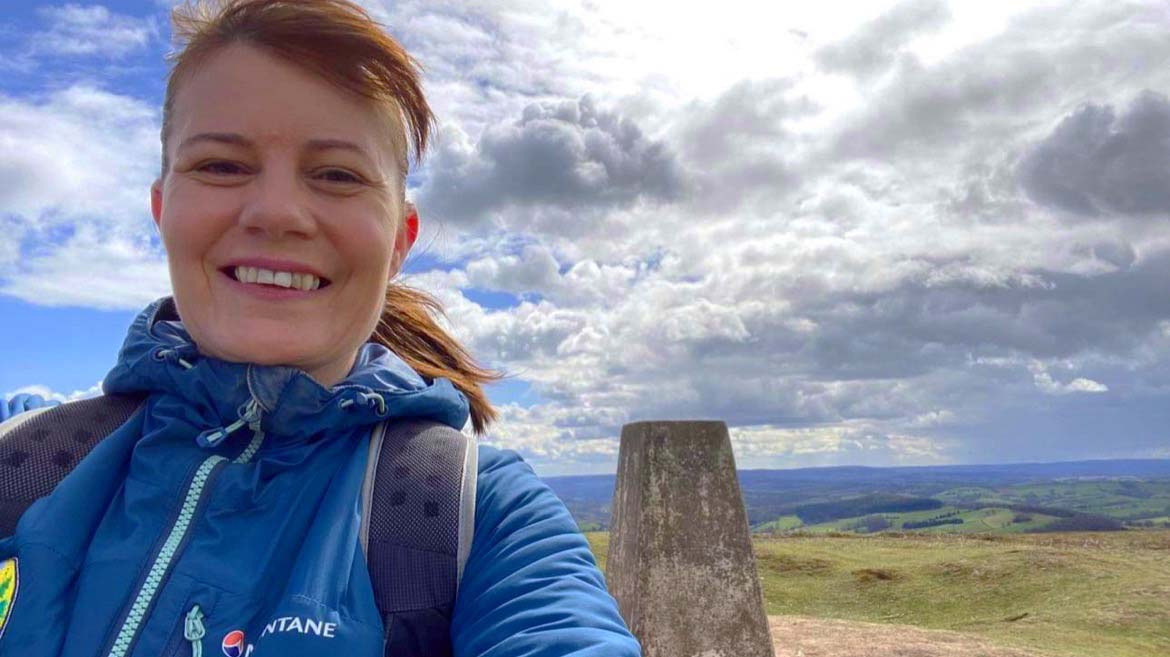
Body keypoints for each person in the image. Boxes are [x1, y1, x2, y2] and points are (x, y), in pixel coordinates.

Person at [0, 1, 641, 655]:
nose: (277, 213)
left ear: (399, 238)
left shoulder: (479, 518)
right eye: (221, 164)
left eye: (337, 175)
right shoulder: (19, 459)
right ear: (163, 208)